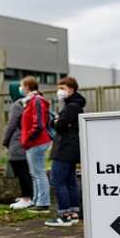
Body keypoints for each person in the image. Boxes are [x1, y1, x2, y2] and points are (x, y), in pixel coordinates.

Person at [46, 77, 86, 227]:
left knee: (57, 181)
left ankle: (64, 215)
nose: (59, 91)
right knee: (70, 181)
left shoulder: (71, 107)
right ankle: (74, 213)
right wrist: (57, 120)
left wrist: (55, 121)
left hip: (64, 148)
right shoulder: (75, 105)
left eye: (62, 88)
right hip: (71, 148)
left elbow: (60, 125)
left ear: (71, 89)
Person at [20, 76, 52, 214]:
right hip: (33, 142)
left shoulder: (36, 101)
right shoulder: (30, 101)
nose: (20, 89)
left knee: (38, 173)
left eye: (22, 86)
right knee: (35, 173)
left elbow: (38, 124)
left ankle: (43, 203)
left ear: (27, 86)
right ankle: (37, 200)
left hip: (36, 142)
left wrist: (28, 139)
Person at [2, 83, 34, 210]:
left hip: (17, 142)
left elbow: (11, 125)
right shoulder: (27, 103)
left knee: (22, 171)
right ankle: (28, 196)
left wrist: (5, 141)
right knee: (26, 171)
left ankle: (27, 198)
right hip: (26, 142)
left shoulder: (17, 105)